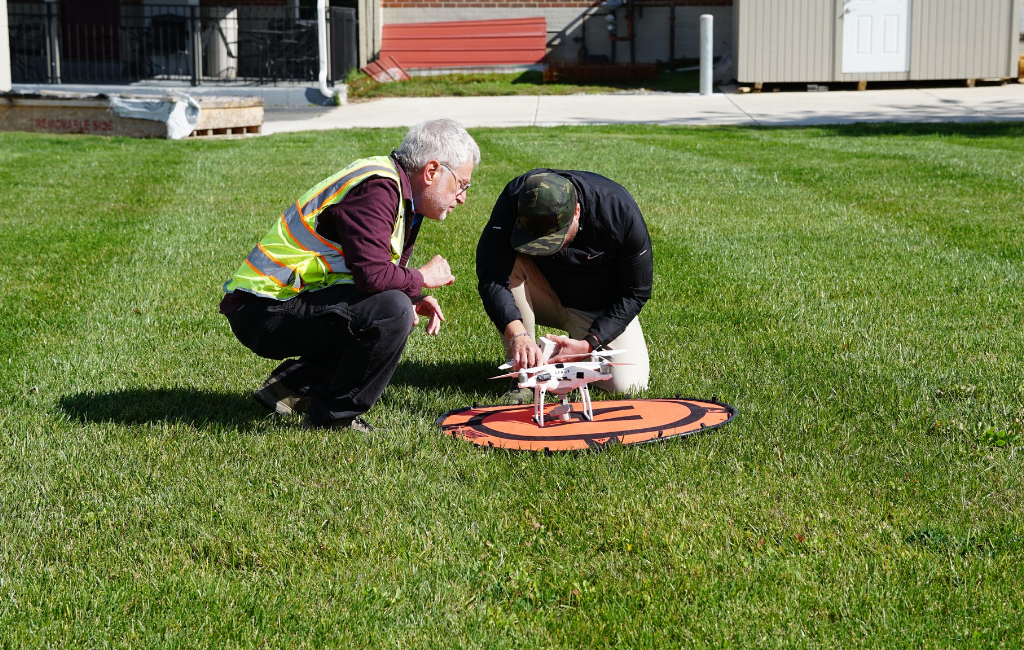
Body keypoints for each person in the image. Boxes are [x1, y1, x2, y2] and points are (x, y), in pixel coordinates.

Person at [221, 118, 480, 430]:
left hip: (271, 304)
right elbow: (373, 276)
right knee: (392, 311)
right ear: (431, 171)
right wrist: (421, 278)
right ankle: (332, 418)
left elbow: (376, 272)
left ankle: (291, 389)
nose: (462, 197)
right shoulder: (379, 189)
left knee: (396, 307)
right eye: (461, 184)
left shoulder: (397, 189)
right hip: (264, 311)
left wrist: (415, 296)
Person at [476, 170, 653, 401]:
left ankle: (569, 351)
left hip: (596, 307)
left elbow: (635, 293)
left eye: (553, 238)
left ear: (577, 211)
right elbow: (492, 274)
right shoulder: (516, 198)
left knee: (629, 384)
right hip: (540, 292)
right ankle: (522, 376)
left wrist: (590, 343)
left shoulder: (618, 210)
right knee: (505, 262)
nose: (545, 249)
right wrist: (517, 335)